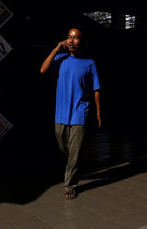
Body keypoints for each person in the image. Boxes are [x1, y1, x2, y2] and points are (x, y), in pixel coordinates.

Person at [40, 27, 101, 200]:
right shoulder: (60, 59)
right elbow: (43, 70)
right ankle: (76, 163)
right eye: (69, 37)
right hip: (61, 113)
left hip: (80, 111)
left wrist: (98, 112)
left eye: (75, 38)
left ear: (82, 41)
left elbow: (96, 89)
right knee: (63, 146)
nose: (71, 40)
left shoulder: (89, 63)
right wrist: (55, 50)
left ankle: (70, 185)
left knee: (74, 152)